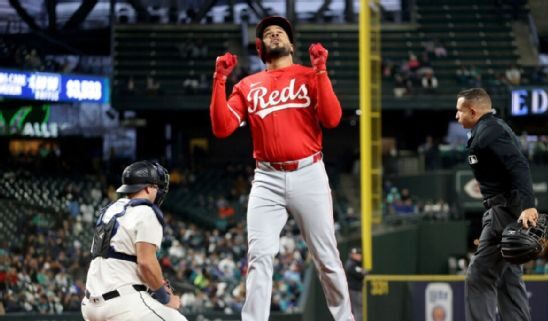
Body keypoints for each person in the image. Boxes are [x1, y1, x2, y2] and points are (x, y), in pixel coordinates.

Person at [209, 16, 355, 321]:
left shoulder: (308, 75)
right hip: (267, 178)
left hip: (309, 172)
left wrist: (321, 71)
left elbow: (332, 119)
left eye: (280, 32)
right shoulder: (248, 85)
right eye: (269, 34)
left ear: (290, 43)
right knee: (259, 256)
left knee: (326, 256)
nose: (275, 35)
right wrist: (220, 80)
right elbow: (222, 128)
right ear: (261, 48)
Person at [455, 88, 538, 321]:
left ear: (472, 110)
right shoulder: (489, 128)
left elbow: (519, 165)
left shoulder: (491, 131)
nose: (456, 116)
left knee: (479, 276)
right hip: (506, 207)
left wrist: (528, 205)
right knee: (509, 276)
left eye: (459, 111)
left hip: (503, 209)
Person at [81, 161, 187, 321]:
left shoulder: (110, 210)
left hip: (90, 304)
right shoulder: (146, 212)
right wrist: (166, 298)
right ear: (147, 188)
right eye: (156, 187)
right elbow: (145, 264)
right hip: (122, 305)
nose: (158, 191)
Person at [345, 247, 366, 321]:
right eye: (356, 254)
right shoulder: (351, 264)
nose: (359, 255)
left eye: (359, 254)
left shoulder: (355, 264)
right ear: (352, 255)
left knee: (355, 310)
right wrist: (363, 272)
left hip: (353, 290)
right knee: (358, 310)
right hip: (354, 290)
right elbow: (360, 274)